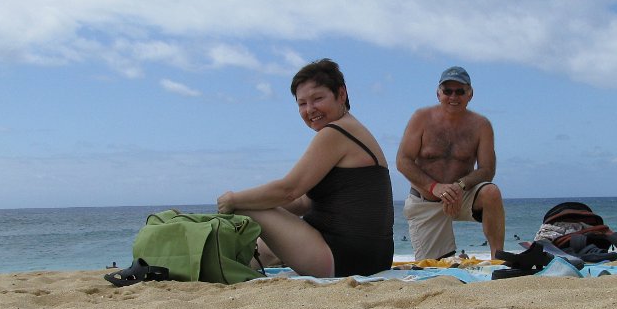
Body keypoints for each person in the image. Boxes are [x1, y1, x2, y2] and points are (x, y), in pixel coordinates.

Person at [216, 59, 394, 277]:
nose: (310, 109)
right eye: (302, 104)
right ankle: (237, 265)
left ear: (341, 94)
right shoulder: (352, 129)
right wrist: (269, 213)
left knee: (246, 207)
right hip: (372, 257)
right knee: (260, 218)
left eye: (318, 98)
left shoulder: (336, 132)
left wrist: (232, 200)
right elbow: (301, 203)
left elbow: (288, 190)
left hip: (343, 258)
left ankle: (217, 264)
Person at [396, 66, 505, 261]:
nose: (453, 96)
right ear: (438, 94)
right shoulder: (421, 118)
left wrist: (459, 186)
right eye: (448, 91)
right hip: (426, 201)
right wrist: (435, 187)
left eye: (460, 91)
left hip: (461, 196)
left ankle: (499, 259)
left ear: (470, 94)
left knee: (491, 192)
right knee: (433, 269)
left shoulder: (481, 126)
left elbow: (487, 170)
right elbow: (403, 161)